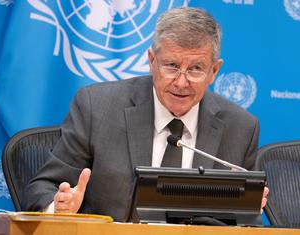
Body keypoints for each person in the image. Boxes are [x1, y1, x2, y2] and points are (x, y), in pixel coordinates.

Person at [22, 7, 268, 221]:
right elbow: (41, 188)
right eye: (171, 66)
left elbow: (246, 225)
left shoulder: (240, 128)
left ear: (214, 71)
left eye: (195, 69)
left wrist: (244, 212)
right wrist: (59, 207)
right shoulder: (97, 108)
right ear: (151, 61)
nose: (181, 83)